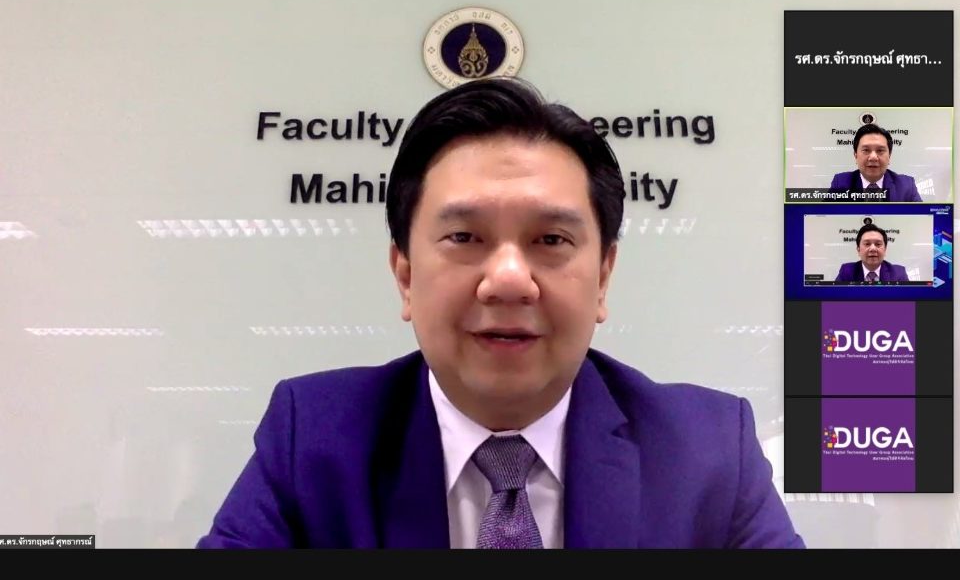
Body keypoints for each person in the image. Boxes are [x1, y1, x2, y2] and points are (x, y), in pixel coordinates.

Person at [196, 77, 804, 549]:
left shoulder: (710, 452)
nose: (509, 280)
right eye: (464, 237)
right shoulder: (311, 441)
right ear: (405, 274)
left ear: (603, 277)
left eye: (551, 240)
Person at [829, 124, 922, 202]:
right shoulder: (840, 183)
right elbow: (825, 215)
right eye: (866, 150)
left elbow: (921, 216)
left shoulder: (907, 186)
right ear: (856, 156)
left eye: (880, 150)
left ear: (889, 156)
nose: (873, 157)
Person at [835, 223, 909, 283]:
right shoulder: (846, 271)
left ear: (885, 250)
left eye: (878, 244)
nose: (873, 249)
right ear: (858, 250)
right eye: (867, 244)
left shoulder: (899, 273)